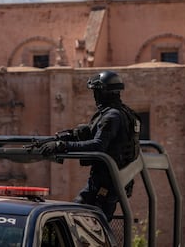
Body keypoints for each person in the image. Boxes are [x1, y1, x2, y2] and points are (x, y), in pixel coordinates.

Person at [39, 70, 141, 221]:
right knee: (88, 222)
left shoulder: (111, 116)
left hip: (106, 183)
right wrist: (68, 135)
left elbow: (98, 145)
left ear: (104, 92)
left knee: (83, 221)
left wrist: (62, 145)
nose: (94, 96)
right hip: (111, 180)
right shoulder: (120, 113)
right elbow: (94, 132)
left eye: (96, 92)